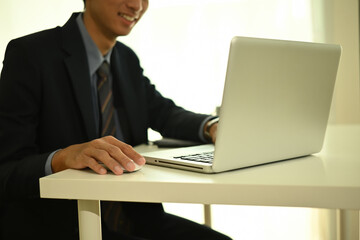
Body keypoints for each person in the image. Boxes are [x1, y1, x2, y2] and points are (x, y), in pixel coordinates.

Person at [0, 0, 230, 239]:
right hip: (62, 224)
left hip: (134, 215)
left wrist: (212, 126)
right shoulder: (31, 54)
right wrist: (62, 158)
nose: (137, 5)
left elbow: (165, 113)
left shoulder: (125, 58)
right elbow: (6, 170)